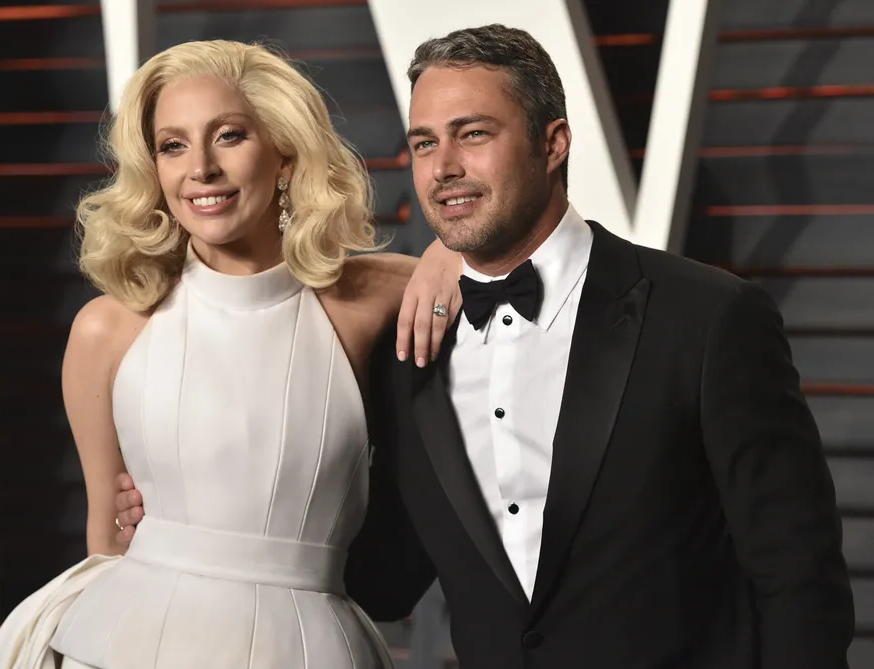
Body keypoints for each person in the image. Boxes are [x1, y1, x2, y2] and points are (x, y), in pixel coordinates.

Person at [112, 22, 857, 669]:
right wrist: (212, 509)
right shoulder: (407, 343)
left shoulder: (707, 317)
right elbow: (385, 575)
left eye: (473, 134)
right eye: (424, 143)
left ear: (554, 142)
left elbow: (800, 578)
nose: (444, 168)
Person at [0, 39, 464, 669]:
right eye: (172, 145)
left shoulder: (367, 301)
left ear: (284, 153)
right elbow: (109, 540)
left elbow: (504, 256)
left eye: (229, 135)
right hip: (125, 644)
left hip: (312, 643)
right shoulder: (106, 331)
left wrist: (448, 252)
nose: (200, 168)